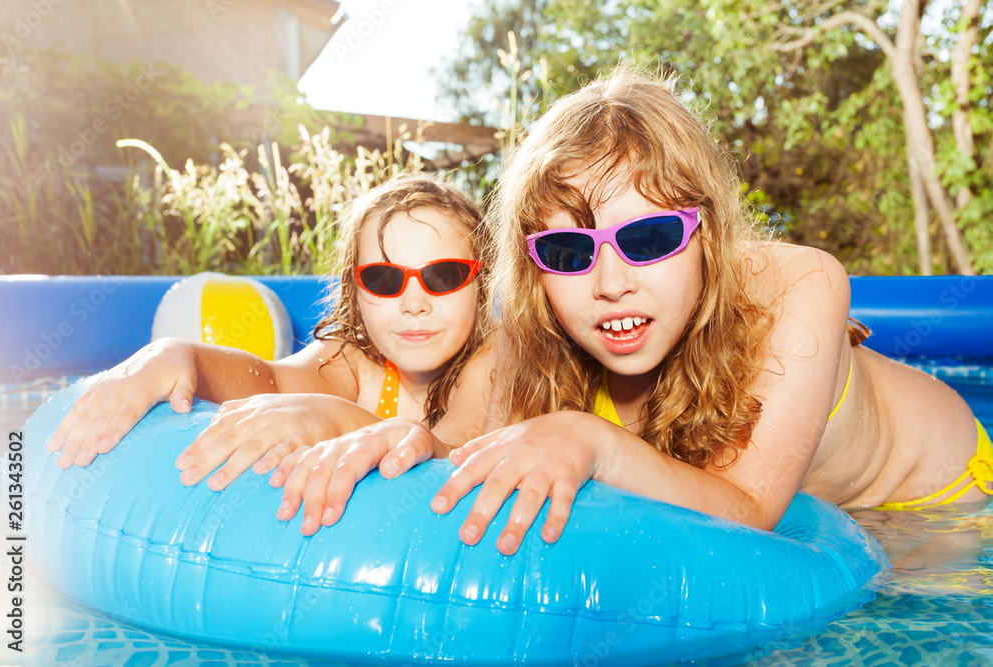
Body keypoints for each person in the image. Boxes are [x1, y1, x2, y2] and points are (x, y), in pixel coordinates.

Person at [426, 67, 993, 556]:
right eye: (568, 252)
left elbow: (747, 510)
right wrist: (384, 438)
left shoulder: (802, 285)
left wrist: (591, 439)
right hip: (828, 525)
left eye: (649, 239)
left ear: (708, 234)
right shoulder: (531, 334)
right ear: (534, 268)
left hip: (940, 501)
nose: (610, 283)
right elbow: (465, 458)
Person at [48, 175, 494, 536]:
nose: (414, 302)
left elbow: (455, 452)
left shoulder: (497, 358)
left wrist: (335, 417)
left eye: (444, 275)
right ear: (354, 293)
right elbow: (271, 383)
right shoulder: (355, 359)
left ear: (486, 281)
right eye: (382, 279)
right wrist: (179, 356)